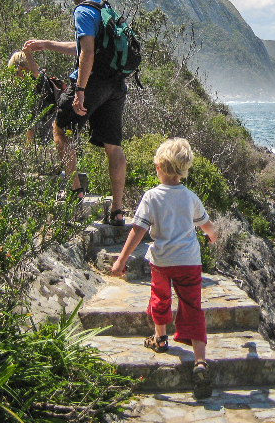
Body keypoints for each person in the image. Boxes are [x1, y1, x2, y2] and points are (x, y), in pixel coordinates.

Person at [110, 138, 217, 399]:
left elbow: (138, 230)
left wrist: (121, 260)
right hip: (190, 261)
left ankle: (160, 339)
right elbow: (207, 226)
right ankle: (200, 361)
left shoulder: (151, 197)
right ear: (184, 169)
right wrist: (213, 237)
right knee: (192, 306)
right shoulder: (191, 198)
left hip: (162, 262)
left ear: (158, 166)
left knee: (160, 298)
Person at [23, 0, 127, 222]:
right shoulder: (105, 10)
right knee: (113, 147)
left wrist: (79, 90)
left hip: (90, 83)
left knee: (60, 129)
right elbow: (81, 47)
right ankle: (117, 209)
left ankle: (76, 194)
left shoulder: (82, 10)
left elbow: (87, 54)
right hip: (115, 84)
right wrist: (46, 44)